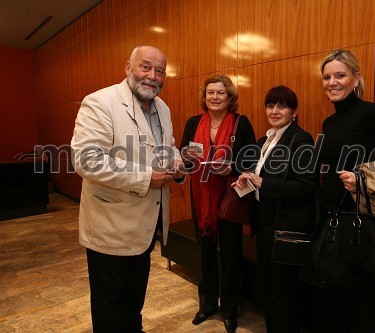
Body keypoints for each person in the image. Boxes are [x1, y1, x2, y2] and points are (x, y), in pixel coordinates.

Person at [71, 45, 184, 333]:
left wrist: (178, 163)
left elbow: (166, 147)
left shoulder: (163, 108)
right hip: (111, 227)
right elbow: (87, 160)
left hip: (145, 226)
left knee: (134, 301)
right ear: (128, 67)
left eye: (159, 71)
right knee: (111, 306)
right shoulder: (100, 102)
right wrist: (146, 178)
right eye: (145, 67)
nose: (152, 76)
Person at [315, 49, 375, 332]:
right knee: (335, 302)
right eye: (327, 77)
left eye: (340, 75)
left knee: (364, 305)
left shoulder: (372, 113)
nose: (332, 82)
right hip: (334, 217)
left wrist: (363, 179)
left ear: (355, 79)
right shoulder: (330, 122)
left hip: (364, 218)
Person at [234, 85, 318, 333]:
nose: (275, 110)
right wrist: (247, 182)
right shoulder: (264, 140)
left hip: (286, 228)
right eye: (270, 105)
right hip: (265, 225)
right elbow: (262, 183)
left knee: (283, 292)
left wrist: (263, 182)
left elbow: (306, 187)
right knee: (269, 289)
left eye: (282, 106)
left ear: (294, 111)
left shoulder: (301, 139)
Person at [179, 75, 256, 333]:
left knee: (232, 254)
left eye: (220, 93)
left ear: (229, 97)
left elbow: (251, 160)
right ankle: (207, 304)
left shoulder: (241, 123)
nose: (214, 97)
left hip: (229, 199)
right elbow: (184, 157)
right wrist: (186, 160)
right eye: (210, 92)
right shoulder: (193, 123)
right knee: (206, 253)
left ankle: (230, 309)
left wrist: (231, 167)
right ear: (205, 96)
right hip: (201, 198)